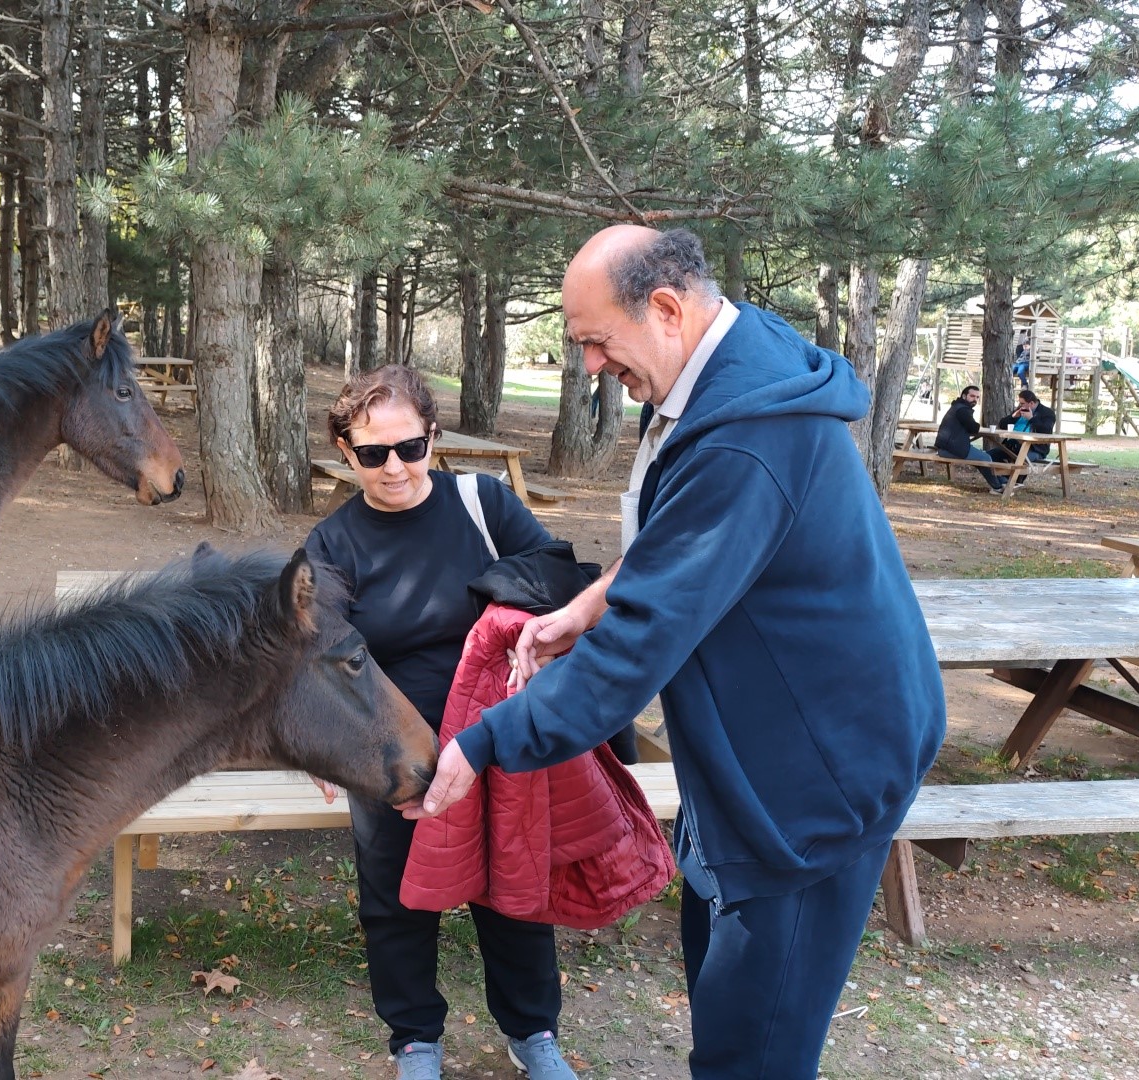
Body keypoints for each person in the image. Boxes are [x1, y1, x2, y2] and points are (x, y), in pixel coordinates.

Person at [411, 226, 947, 1079]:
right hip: (749, 758)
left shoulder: (745, 436)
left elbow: (634, 657)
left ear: (665, 307)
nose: (589, 365)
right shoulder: (727, 362)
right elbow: (684, 539)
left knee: (751, 1053)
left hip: (814, 782)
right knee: (720, 999)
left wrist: (480, 744)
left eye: (596, 341)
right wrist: (592, 599)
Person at [303, 365, 581, 1080]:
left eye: (410, 447)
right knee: (395, 895)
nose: (395, 468)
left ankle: (533, 1032)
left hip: (497, 736)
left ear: (433, 436)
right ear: (345, 450)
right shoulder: (331, 545)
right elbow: (311, 657)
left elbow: (554, 568)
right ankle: (415, 1039)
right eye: (373, 454)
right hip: (392, 749)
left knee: (512, 888)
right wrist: (326, 747)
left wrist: (502, 617)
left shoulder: (482, 500)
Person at [935, 385, 1007, 493]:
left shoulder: (957, 406)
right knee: (986, 458)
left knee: (980, 458)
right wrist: (977, 426)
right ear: (964, 396)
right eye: (972, 396)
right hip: (951, 449)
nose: (975, 399)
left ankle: (1002, 482)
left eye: (977, 397)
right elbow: (973, 427)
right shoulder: (962, 410)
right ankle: (997, 487)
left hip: (947, 447)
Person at [995, 389, 1055, 484]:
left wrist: (1031, 418)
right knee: (990, 455)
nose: (1020, 405)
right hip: (1013, 445)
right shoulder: (1020, 409)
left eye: (1022, 403)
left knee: (1021, 458)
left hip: (1035, 449)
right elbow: (1002, 425)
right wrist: (1013, 417)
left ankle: (1010, 482)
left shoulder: (1047, 413)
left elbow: (1046, 430)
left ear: (1031, 403)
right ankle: (999, 480)